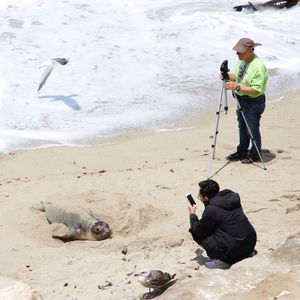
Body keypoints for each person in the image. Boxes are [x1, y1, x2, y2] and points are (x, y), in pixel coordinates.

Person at [187, 179, 257, 269]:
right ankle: (242, 253)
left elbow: (199, 230)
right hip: (250, 244)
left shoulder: (212, 209)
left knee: (195, 230)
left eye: (200, 197)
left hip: (232, 253)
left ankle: (222, 261)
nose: (200, 198)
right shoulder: (231, 198)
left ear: (206, 198)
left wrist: (192, 214)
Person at [224, 38, 268, 164]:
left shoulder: (258, 66)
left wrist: (236, 87)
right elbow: (238, 76)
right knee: (242, 127)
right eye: (237, 51)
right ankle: (242, 151)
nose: (237, 54)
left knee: (252, 129)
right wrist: (227, 75)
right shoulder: (242, 60)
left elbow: (256, 90)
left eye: (240, 52)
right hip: (242, 100)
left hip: (253, 102)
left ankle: (255, 155)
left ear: (250, 51)